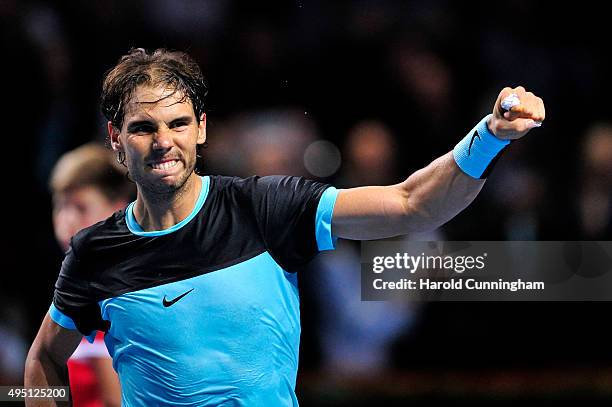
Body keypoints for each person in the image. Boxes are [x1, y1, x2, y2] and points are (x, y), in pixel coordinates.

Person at [25, 48, 545, 406]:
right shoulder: (95, 253)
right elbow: (44, 361)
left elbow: (412, 204)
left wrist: (490, 137)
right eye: (143, 128)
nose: (164, 141)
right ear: (116, 138)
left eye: (179, 123)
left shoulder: (266, 206)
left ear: (201, 127)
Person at [49, 142, 134, 406]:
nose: (67, 221)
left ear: (117, 210)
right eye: (60, 206)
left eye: (80, 207)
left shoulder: (129, 288)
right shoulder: (72, 289)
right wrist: (10, 393)